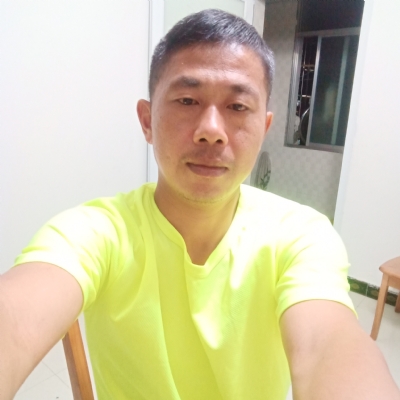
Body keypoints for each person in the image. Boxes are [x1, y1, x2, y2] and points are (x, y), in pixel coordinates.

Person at [0, 9, 399, 400]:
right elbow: (15, 319)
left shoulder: (301, 235)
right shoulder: (96, 232)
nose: (211, 130)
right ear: (147, 121)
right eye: (188, 100)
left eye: (237, 106)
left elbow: (327, 345)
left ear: (263, 128)